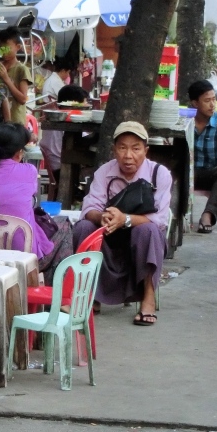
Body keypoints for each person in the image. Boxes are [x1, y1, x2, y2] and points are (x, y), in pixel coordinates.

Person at [73, 121, 172, 326]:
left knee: (148, 230)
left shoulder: (159, 173)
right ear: (114, 150)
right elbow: (88, 208)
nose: (128, 155)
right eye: (122, 147)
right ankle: (92, 294)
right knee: (83, 227)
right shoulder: (104, 172)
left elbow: (160, 219)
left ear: (146, 150)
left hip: (144, 242)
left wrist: (125, 219)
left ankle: (148, 297)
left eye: (136, 148)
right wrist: (101, 217)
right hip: (111, 238)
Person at [0, 122, 73, 284]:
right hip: (25, 259)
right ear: (19, 153)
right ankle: (56, 292)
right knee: (64, 225)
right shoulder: (29, 171)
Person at [188, 79, 217, 234]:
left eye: (214, 99)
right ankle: (177, 216)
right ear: (195, 103)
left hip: (211, 173)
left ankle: (208, 215)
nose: (212, 104)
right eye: (207, 100)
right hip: (187, 172)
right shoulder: (185, 122)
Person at [40, 83, 90, 183]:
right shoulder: (69, 121)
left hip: (55, 167)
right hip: (63, 169)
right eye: (84, 104)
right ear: (74, 104)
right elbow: (85, 143)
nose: (87, 107)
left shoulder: (52, 118)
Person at [0, 26, 33, 126]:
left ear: (18, 47)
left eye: (7, 48)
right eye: (1, 48)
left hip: (16, 123)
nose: (4, 51)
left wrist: (6, 79)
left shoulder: (21, 69)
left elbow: (23, 99)